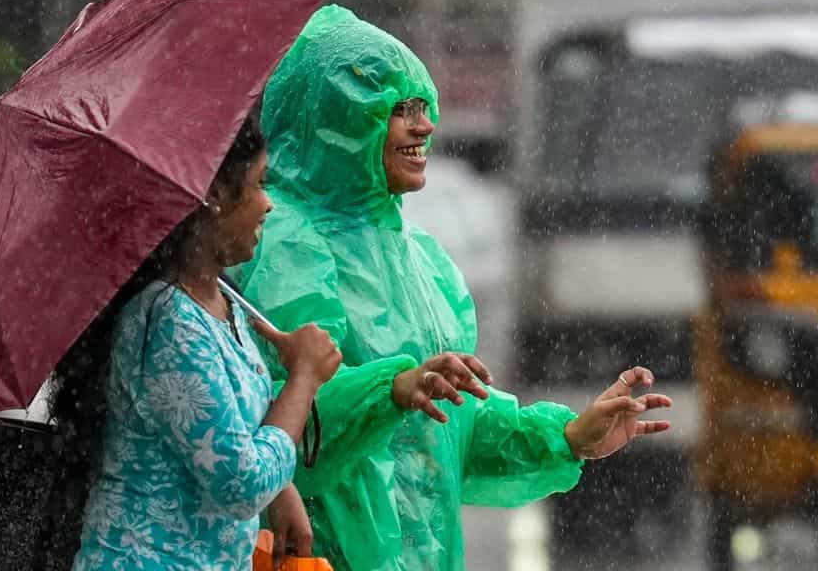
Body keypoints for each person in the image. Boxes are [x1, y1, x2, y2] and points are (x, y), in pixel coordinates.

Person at [230, 5, 674, 571]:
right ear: (337, 121)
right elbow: (282, 429)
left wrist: (566, 437)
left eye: (424, 107)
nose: (425, 126)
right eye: (398, 110)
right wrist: (391, 389)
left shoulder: (421, 260)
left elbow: (449, 428)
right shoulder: (285, 243)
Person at [52, 113, 493, 570]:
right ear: (215, 197)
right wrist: (302, 377)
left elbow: (231, 428)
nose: (269, 205)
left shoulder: (223, 300)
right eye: (261, 184)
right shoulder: (167, 324)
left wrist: (284, 492)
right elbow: (239, 481)